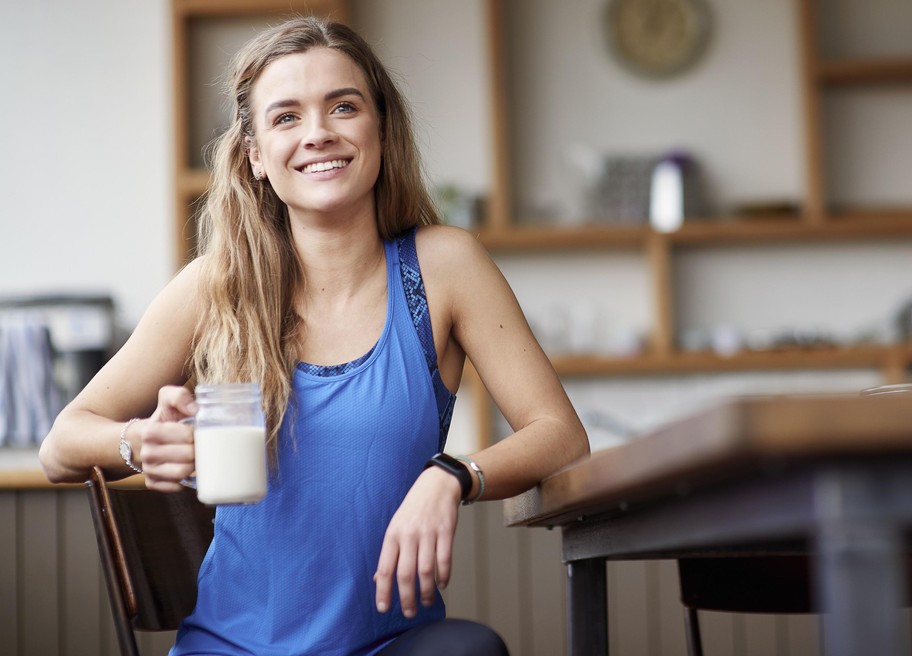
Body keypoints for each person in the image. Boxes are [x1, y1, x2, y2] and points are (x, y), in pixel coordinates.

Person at [39, 16, 589, 656]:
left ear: (380, 127)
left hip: (389, 645)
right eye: (286, 117)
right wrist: (140, 441)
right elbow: (61, 447)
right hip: (229, 646)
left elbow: (559, 434)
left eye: (343, 107)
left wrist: (451, 474)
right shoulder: (216, 285)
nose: (319, 133)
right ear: (255, 155)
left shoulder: (445, 268)